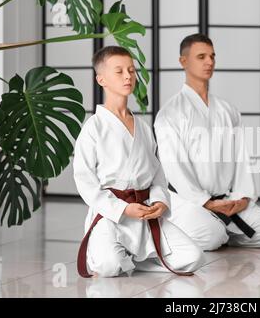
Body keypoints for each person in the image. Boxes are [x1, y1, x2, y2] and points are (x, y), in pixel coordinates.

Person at [73, 46, 204, 278]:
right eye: (119, 71)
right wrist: (123, 208)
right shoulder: (94, 127)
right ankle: (113, 253)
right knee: (108, 266)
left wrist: (160, 202)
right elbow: (85, 182)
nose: (128, 76)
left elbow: (157, 174)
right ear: (101, 79)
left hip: (145, 211)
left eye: (131, 71)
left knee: (193, 258)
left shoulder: (143, 127)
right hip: (112, 215)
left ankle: (133, 260)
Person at [154, 34, 260, 251]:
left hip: (226, 201)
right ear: (183, 61)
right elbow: (174, 168)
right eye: (201, 56)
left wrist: (242, 198)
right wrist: (205, 202)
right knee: (211, 238)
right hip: (190, 201)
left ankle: (222, 230)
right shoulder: (170, 113)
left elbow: (242, 159)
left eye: (212, 56)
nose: (209, 62)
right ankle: (208, 228)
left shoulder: (227, 110)